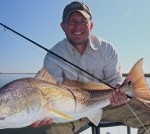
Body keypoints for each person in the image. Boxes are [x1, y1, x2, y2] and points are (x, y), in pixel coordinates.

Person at [31, 1, 150, 134]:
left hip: (108, 104)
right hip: (71, 110)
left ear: (91, 25)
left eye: (83, 21)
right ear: (63, 26)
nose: (77, 26)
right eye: (72, 21)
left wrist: (119, 94)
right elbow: (52, 92)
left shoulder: (107, 49)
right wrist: (44, 112)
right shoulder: (53, 56)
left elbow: (114, 80)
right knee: (54, 128)